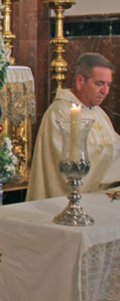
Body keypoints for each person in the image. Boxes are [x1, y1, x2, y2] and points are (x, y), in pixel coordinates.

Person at [27, 52, 120, 200]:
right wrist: (113, 152)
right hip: (66, 202)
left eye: (108, 85)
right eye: (99, 84)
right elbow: (67, 162)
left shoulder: (98, 112)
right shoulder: (59, 113)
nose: (105, 91)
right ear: (80, 81)